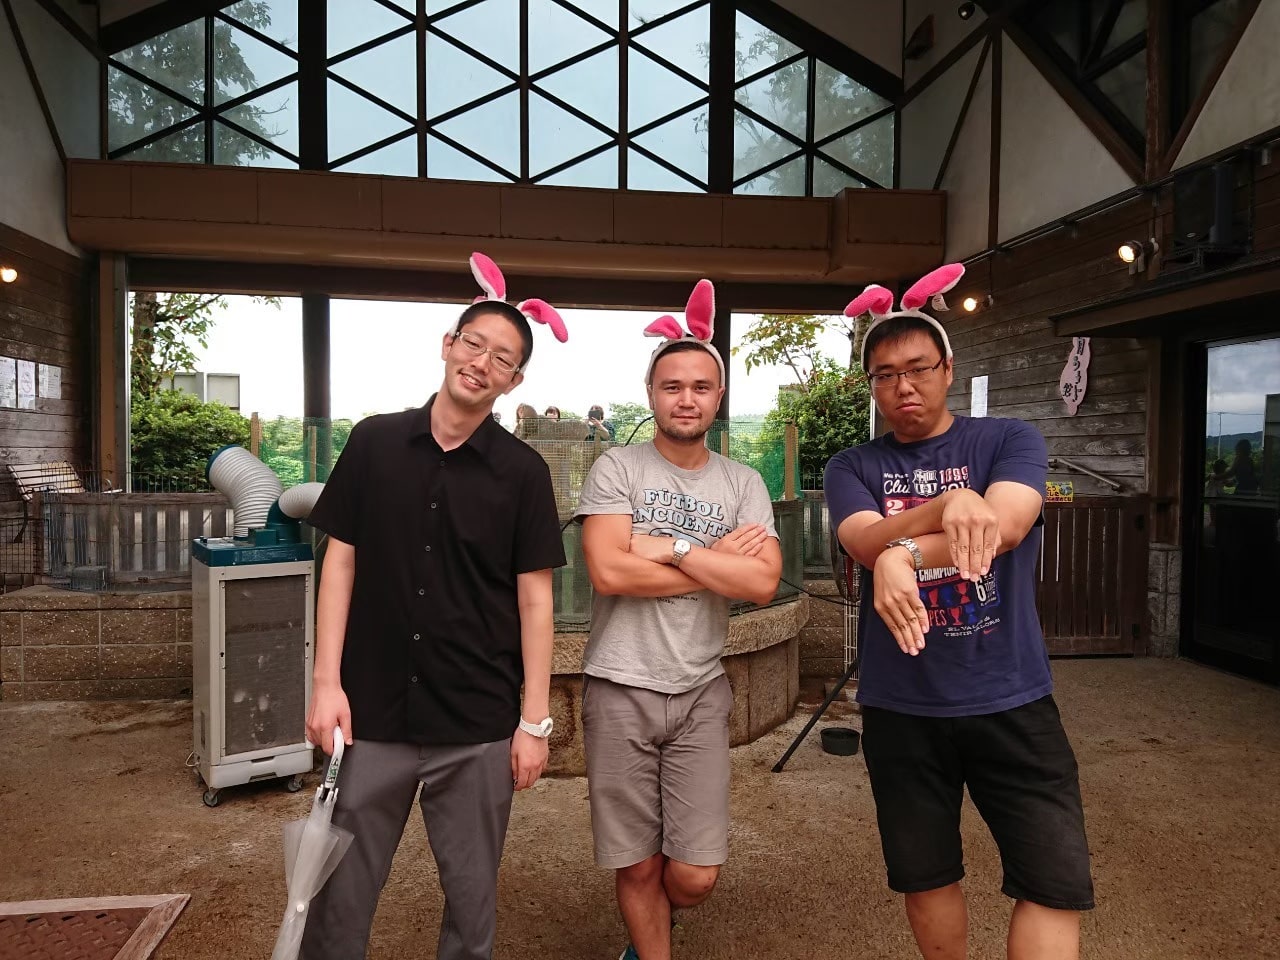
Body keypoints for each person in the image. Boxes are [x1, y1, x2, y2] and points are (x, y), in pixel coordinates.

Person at [300, 256, 568, 960]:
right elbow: (340, 562)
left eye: (503, 358)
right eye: (474, 344)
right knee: (337, 898)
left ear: (515, 381)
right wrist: (326, 683)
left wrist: (532, 722)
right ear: (448, 344)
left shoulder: (523, 473)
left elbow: (535, 600)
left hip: (477, 722)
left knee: (472, 908)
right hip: (370, 713)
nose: (482, 363)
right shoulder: (374, 441)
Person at [824, 264, 1093, 960]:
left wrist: (903, 555)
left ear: (948, 369)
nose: (903, 386)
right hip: (902, 704)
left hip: (1011, 694)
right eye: (885, 375)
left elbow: (1005, 527)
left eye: (918, 368)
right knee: (927, 873)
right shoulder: (852, 465)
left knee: (1053, 879)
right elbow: (859, 540)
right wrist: (945, 505)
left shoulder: (1008, 439)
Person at [575, 280, 782, 960]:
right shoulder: (617, 467)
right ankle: (649, 947)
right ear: (651, 394)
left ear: (718, 398)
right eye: (671, 386)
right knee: (636, 864)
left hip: (699, 689)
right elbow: (609, 572)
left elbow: (762, 582)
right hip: (619, 685)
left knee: (694, 874)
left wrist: (672, 547)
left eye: (700, 386)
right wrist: (716, 561)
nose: (685, 398)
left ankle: (659, 921)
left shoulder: (743, 482)